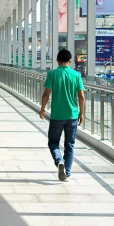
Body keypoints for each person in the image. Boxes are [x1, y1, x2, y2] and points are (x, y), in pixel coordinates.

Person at [38, 49, 86, 182]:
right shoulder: (76, 75)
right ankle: (67, 172)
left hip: (57, 115)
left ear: (57, 60)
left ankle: (59, 160)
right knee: (69, 144)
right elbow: (81, 96)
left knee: (53, 142)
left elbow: (46, 94)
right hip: (72, 115)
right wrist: (82, 113)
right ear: (70, 61)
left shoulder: (52, 74)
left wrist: (42, 109)